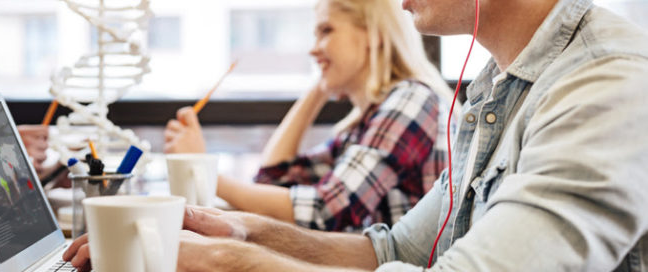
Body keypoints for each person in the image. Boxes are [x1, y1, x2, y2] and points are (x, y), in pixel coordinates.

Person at [64, 0, 648, 271]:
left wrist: (221, 259)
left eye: (325, 30)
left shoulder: (609, 83)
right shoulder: (494, 89)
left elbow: (333, 208)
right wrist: (242, 229)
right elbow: (394, 250)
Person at [164, 0, 456, 231]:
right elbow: (271, 179)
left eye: (326, 31)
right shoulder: (362, 127)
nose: (312, 48)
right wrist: (317, 89)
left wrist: (201, 169)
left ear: (374, 34)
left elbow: (327, 209)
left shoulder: (413, 99)